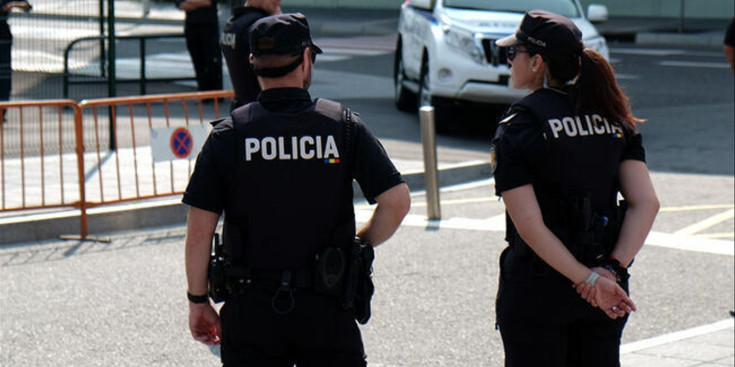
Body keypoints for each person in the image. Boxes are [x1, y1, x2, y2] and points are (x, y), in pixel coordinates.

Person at [183, 12, 410, 366]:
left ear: (253, 64)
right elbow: (396, 202)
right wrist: (358, 243)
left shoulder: (229, 135)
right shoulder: (343, 127)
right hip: (327, 306)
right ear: (306, 59)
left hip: (251, 309)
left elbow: (199, 230)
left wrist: (197, 300)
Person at [490, 10, 659, 367]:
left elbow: (531, 226)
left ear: (537, 62)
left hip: (539, 289)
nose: (508, 62)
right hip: (605, 285)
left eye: (512, 53)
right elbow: (646, 203)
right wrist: (610, 271)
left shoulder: (522, 125)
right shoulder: (614, 117)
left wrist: (587, 279)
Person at [220, 0, 282, 111]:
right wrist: (281, 23)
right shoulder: (260, 26)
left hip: (241, 109)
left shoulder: (233, 23)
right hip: (265, 113)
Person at [176, 0, 223, 91]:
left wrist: (189, 2)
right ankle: (203, 91)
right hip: (191, 26)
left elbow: (208, 2)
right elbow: (180, 4)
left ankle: (215, 92)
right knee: (197, 61)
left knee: (211, 60)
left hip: (208, 26)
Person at [0, 0, 30, 101]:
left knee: (4, 73)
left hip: (3, 36)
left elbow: (26, 6)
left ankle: (2, 109)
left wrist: (12, 5)